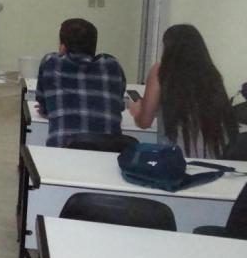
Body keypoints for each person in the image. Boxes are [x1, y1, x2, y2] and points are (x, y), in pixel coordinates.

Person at [129, 24, 237, 158]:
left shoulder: (161, 72)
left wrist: (137, 110)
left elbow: (144, 122)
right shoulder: (212, 75)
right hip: (218, 162)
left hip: (176, 161)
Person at [35, 18, 126, 147]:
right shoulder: (112, 65)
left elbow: (44, 107)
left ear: (63, 47)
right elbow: (119, 104)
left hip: (62, 150)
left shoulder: (50, 62)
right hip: (109, 151)